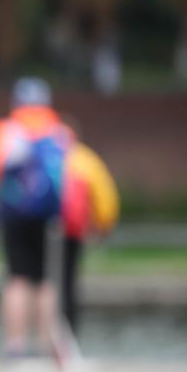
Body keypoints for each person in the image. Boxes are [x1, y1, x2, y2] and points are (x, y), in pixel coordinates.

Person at [0, 77, 74, 359]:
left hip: (13, 214)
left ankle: (15, 344)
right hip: (50, 216)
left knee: (17, 276)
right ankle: (47, 343)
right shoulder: (60, 131)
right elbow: (72, 176)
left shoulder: (5, 130)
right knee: (45, 279)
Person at [61, 141, 119, 333]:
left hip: (38, 229)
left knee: (37, 281)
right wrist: (103, 226)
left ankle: (32, 338)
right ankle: (67, 331)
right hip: (72, 230)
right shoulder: (85, 158)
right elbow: (105, 196)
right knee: (68, 280)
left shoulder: (39, 156)